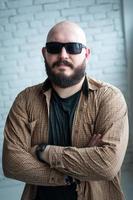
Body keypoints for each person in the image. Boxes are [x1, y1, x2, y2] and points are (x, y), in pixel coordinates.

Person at [2, 21, 128, 200]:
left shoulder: (109, 98)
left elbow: (107, 165)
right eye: (54, 47)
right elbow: (12, 164)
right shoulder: (25, 100)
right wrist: (75, 171)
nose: (63, 55)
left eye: (73, 47)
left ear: (86, 53)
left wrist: (42, 151)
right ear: (45, 54)